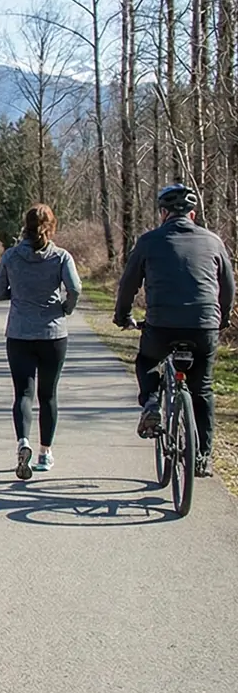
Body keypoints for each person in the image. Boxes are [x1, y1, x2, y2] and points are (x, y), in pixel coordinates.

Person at [113, 184, 234, 478]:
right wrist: (223, 319)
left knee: (146, 360)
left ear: (163, 213)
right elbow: (228, 286)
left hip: (162, 325)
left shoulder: (148, 241)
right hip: (204, 325)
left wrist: (123, 316)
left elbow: (128, 284)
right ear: (193, 214)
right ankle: (202, 457)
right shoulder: (214, 241)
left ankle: (152, 401)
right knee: (202, 389)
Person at [0, 204, 82, 479]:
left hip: (19, 333)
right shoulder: (61, 257)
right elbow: (75, 288)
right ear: (52, 226)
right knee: (48, 395)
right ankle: (45, 453)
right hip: (53, 334)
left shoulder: (11, 256)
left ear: (25, 226)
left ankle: (23, 443)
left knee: (23, 394)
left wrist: (18, 294)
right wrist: (66, 308)